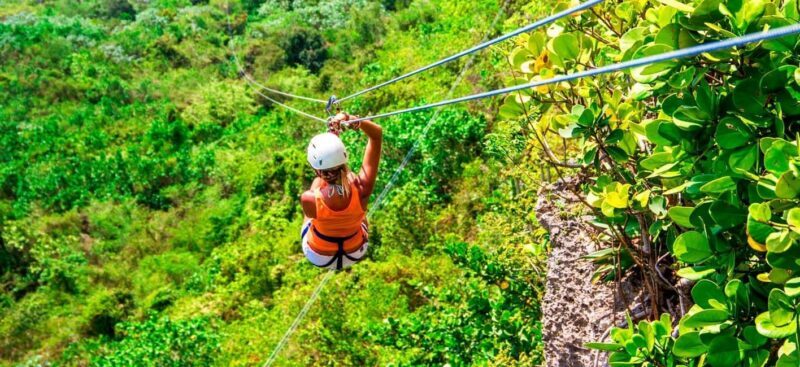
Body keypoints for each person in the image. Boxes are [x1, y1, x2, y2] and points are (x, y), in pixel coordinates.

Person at [300, 113, 382, 270]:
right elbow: (376, 135)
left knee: (316, 188)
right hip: (355, 251)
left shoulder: (308, 198)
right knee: (355, 192)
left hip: (319, 255)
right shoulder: (361, 187)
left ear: (315, 169)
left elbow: (322, 186)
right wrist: (351, 118)